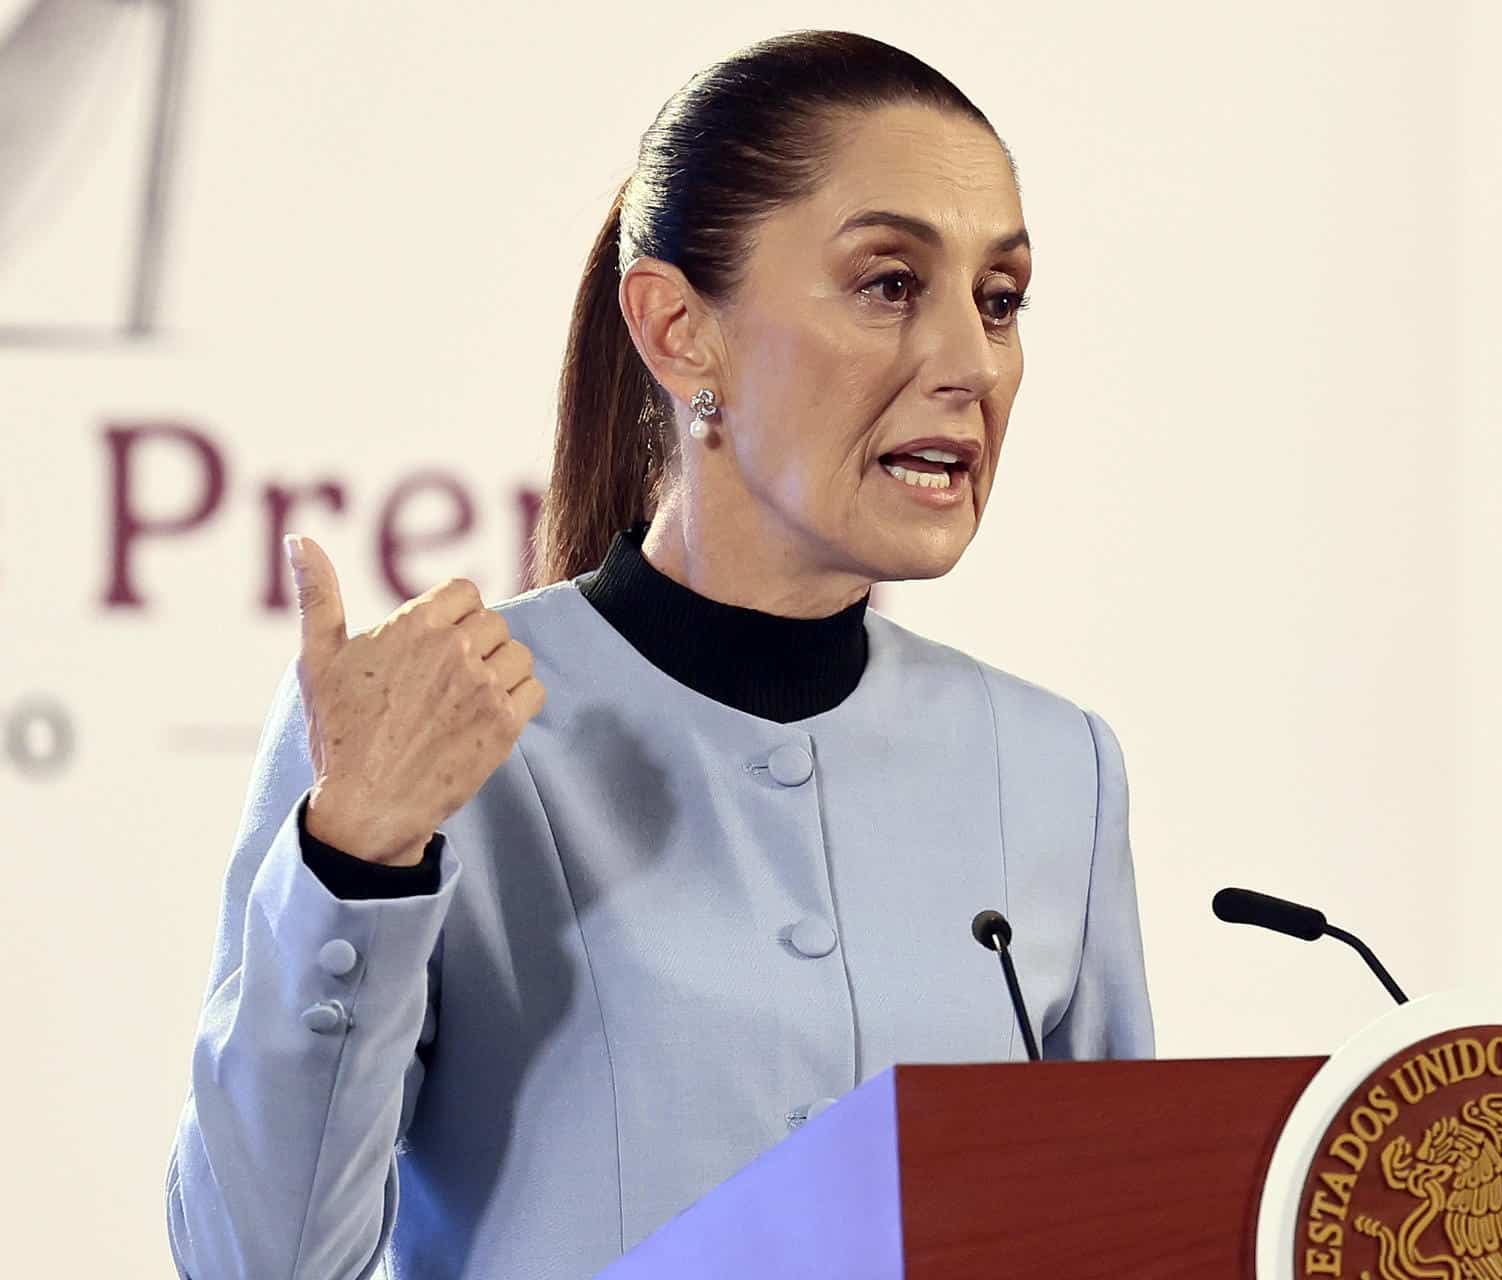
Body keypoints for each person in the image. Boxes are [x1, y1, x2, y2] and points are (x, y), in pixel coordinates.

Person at [164, 29, 1153, 1280]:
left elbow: (1133, 1231)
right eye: (892, 282)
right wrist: (354, 856)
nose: (969, 363)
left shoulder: (1058, 765)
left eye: (998, 301)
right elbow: (260, 1262)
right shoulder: (430, 726)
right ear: (681, 329)